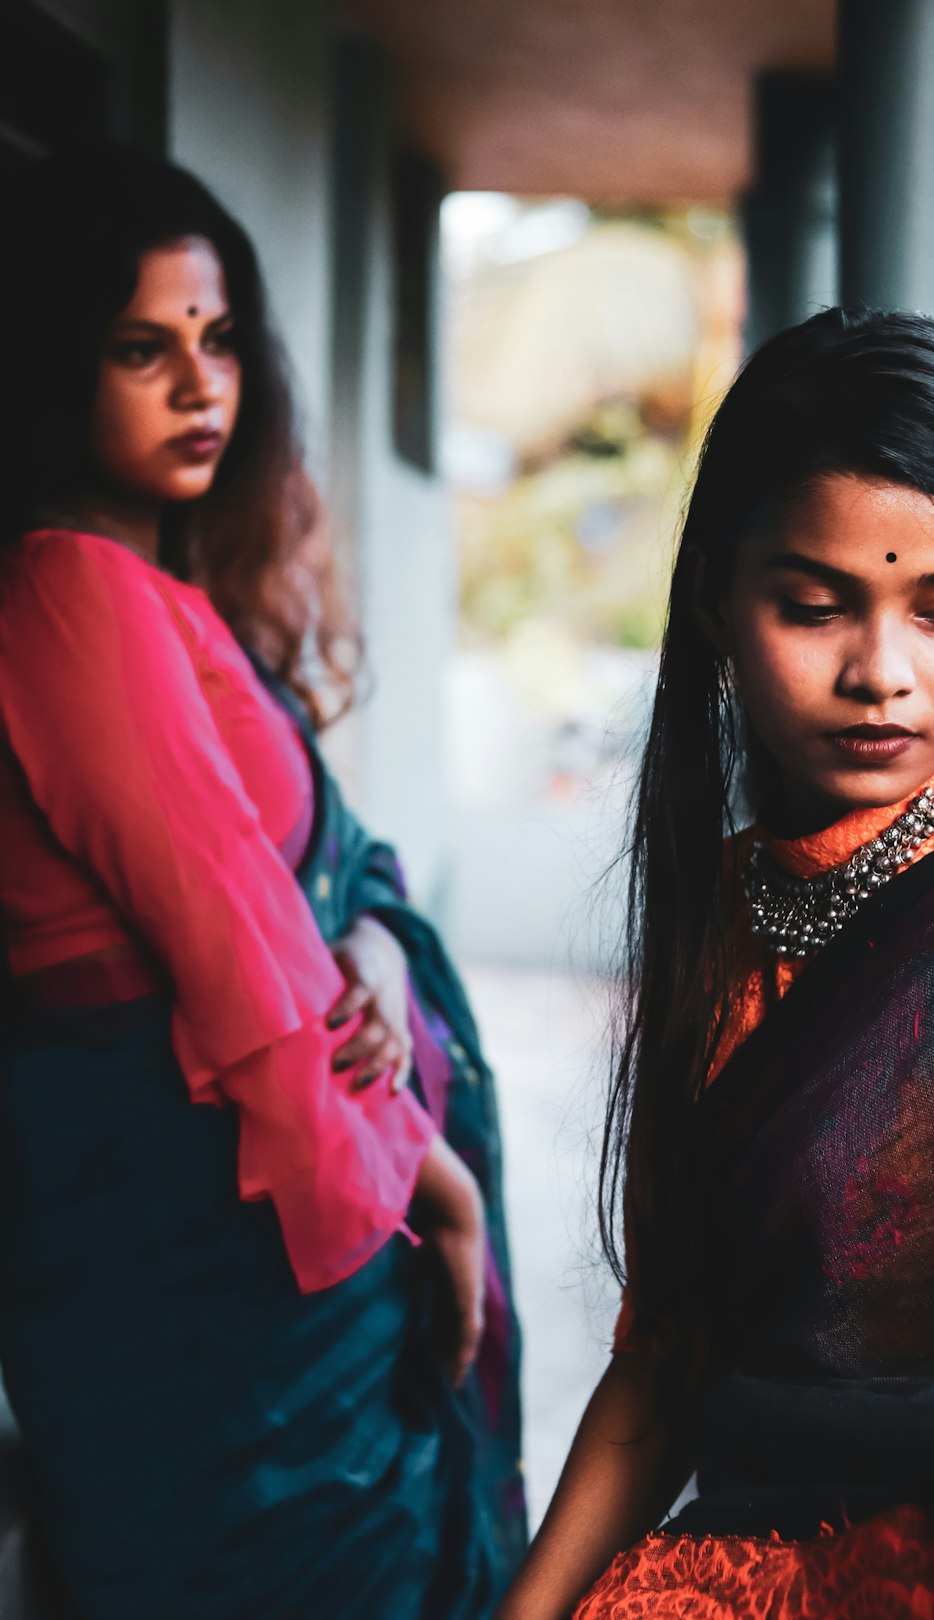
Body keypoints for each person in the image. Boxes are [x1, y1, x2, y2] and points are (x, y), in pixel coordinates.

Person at [0, 144, 524, 1619]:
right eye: (140, 349)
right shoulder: (70, 592)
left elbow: (311, 882)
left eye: (218, 340)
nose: (198, 385)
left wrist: (369, 933)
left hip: (256, 1244)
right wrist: (446, 1191)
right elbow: (240, 949)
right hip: (215, 1291)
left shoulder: (169, 603)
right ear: (56, 369)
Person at [497, 308, 934, 1619]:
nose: (883, 674)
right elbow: (661, 1371)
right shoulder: (739, 906)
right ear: (715, 597)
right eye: (815, 607)